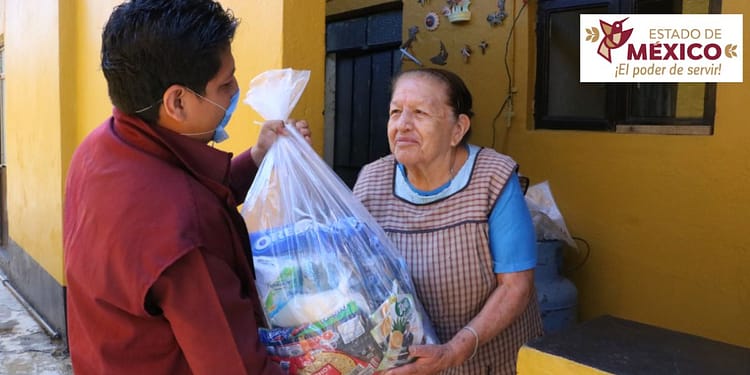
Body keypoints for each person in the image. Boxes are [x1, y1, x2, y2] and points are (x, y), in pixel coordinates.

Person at [63, 1, 310, 374]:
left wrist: (258, 156)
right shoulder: (184, 232)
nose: (234, 94)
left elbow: (180, 187)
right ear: (177, 102)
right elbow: (235, 367)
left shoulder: (99, 148)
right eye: (225, 84)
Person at [353, 68, 543, 375]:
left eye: (420, 113)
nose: (402, 125)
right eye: (395, 112)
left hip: (489, 363)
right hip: (403, 364)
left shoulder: (492, 178)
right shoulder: (371, 181)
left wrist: (455, 351)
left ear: (458, 128)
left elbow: (516, 286)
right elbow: (349, 271)